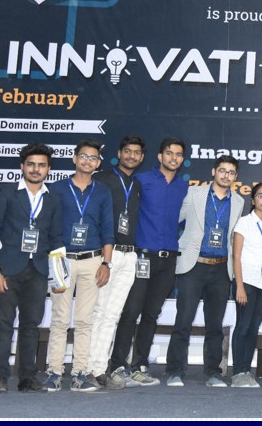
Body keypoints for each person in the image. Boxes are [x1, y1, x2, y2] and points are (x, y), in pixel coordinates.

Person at [0, 142, 64, 394]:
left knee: (31, 326)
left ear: (48, 169)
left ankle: (27, 378)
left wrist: (58, 278)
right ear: (22, 166)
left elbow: (56, 239)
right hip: (7, 269)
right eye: (31, 164)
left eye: (41, 165)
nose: (35, 169)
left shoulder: (53, 198)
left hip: (38, 271)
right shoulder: (6, 193)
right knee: (3, 324)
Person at [108, 137, 189, 386]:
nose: (173, 158)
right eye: (169, 153)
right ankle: (117, 365)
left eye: (178, 154)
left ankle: (139, 366)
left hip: (168, 260)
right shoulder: (141, 181)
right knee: (131, 311)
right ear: (159, 156)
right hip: (142, 257)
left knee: (152, 314)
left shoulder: (183, 186)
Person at [165, 155, 245, 387]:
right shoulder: (194, 193)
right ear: (213, 171)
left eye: (231, 172)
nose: (226, 175)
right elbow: (173, 220)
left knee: (215, 325)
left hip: (221, 268)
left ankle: (213, 372)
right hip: (193, 266)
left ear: (236, 177)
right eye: (222, 170)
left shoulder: (238, 201)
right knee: (183, 320)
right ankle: (175, 371)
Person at [44, 138, 114, 393]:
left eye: (93, 158)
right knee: (60, 319)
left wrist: (106, 263)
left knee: (85, 321)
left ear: (98, 163)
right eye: (83, 156)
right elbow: (48, 226)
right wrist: (53, 262)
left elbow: (108, 230)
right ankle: (54, 372)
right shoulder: (56, 189)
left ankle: (79, 373)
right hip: (62, 260)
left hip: (92, 261)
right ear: (74, 158)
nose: (87, 161)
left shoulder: (103, 191)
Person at [88, 135, 146, 390]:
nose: (131, 156)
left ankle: (100, 368)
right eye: (127, 151)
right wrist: (104, 257)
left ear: (141, 158)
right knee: (98, 312)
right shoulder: (102, 179)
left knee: (112, 315)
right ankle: (85, 367)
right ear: (119, 153)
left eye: (136, 153)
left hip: (130, 255)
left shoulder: (137, 184)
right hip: (107, 254)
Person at [230, 181, 262, 387]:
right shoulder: (244, 222)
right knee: (243, 325)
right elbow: (236, 256)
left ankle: (246, 371)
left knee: (253, 328)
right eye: (260, 196)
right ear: (252, 200)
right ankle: (237, 372)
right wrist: (239, 286)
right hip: (247, 281)